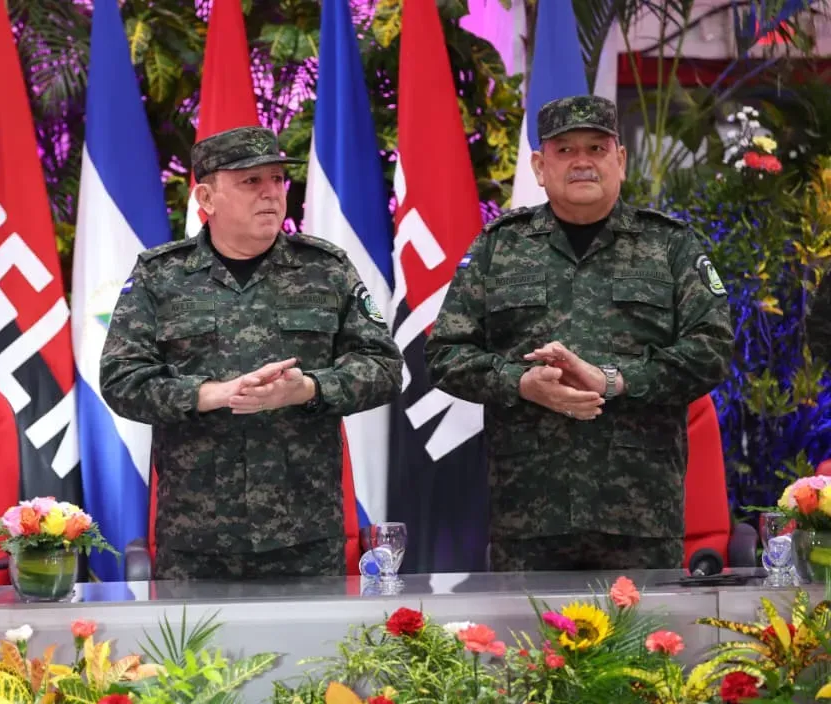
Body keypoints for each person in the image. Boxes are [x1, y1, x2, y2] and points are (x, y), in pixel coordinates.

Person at [425, 95, 734, 574]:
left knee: (646, 645)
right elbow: (445, 354)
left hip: (639, 511)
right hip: (528, 510)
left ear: (620, 161)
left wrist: (614, 380)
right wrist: (520, 383)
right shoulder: (498, 247)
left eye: (596, 147)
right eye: (565, 150)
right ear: (539, 166)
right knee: (527, 647)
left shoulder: (670, 246)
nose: (583, 162)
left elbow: (712, 350)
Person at [99, 126, 403, 580]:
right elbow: (121, 379)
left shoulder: (326, 268)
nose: (271, 194)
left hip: (305, 530)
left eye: (278, 180)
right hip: (196, 535)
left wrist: (309, 389)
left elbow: (384, 367)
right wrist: (212, 394)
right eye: (251, 182)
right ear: (206, 197)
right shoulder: (160, 276)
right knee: (194, 653)